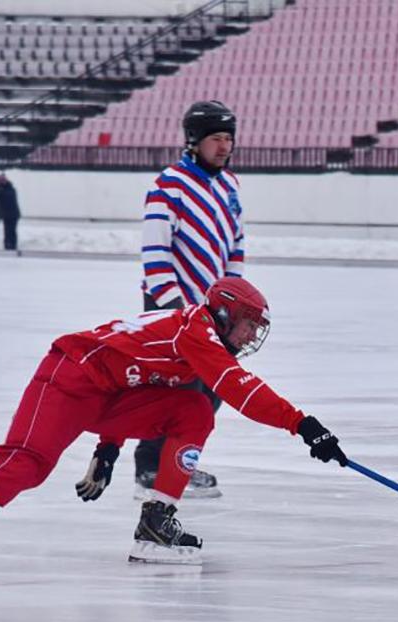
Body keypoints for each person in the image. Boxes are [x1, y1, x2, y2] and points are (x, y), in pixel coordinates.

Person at [0, 277, 347, 575]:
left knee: (193, 410)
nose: (249, 336)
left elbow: (129, 376)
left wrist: (108, 448)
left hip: (102, 393)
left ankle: (156, 523)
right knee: (26, 465)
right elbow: (239, 388)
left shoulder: (194, 334)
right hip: (64, 380)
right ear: (223, 313)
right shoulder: (198, 333)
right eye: (247, 325)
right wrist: (303, 425)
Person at [134, 100, 245, 499]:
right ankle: (151, 466)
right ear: (195, 141)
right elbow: (155, 252)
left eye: (229, 138)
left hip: (214, 310)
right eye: (216, 138)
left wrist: (234, 301)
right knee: (177, 389)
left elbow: (236, 243)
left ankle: (177, 461)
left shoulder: (229, 184)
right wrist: (173, 308)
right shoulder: (168, 185)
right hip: (174, 306)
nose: (224, 146)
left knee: (213, 388)